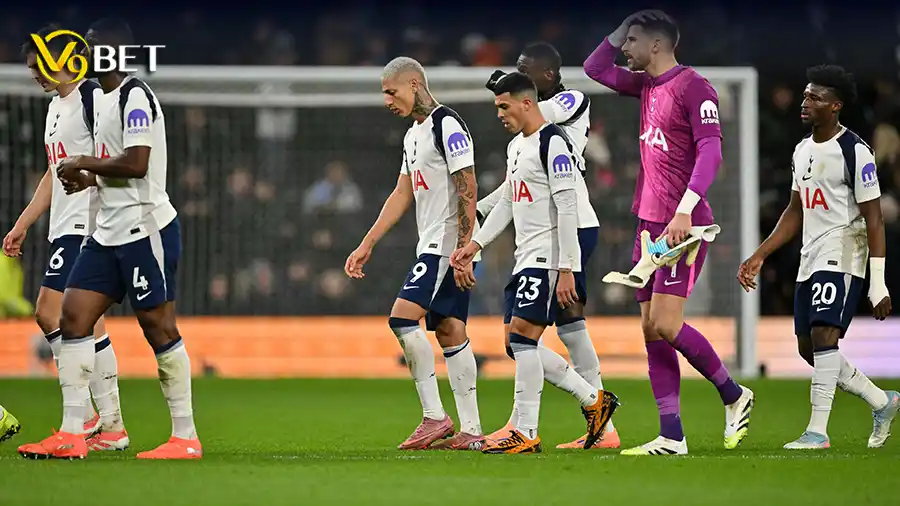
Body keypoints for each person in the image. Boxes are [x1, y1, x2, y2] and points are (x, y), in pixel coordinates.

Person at [17, 18, 200, 460]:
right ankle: (73, 432)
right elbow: (110, 165)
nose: (84, 53)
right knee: (73, 316)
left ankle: (185, 436)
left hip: (145, 229)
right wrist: (88, 178)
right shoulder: (100, 101)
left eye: (93, 47)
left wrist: (84, 162)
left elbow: (137, 164)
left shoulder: (135, 96)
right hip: (106, 232)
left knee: (158, 326)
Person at [584, 9, 754, 456]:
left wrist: (684, 211)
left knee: (666, 322)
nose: (625, 48)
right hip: (649, 221)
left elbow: (711, 152)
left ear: (656, 44)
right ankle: (671, 435)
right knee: (650, 328)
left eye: (632, 40)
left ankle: (734, 394)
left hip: (683, 223)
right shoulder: (646, 85)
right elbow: (594, 68)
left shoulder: (695, 87)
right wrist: (622, 26)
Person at [452, 72, 618, 454]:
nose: (499, 114)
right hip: (524, 255)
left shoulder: (553, 143)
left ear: (527, 103)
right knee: (516, 341)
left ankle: (526, 430)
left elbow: (567, 207)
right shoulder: (516, 147)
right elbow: (509, 201)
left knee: (523, 339)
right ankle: (593, 401)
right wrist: (475, 243)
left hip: (547, 255)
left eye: (503, 106)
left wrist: (567, 268)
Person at [738, 65, 899, 450]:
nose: (805, 102)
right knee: (808, 348)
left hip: (844, 251)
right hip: (810, 255)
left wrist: (877, 283)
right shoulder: (803, 150)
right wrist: (760, 254)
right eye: (805, 95)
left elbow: (875, 218)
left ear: (835, 106)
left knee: (825, 335)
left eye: (815, 97)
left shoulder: (855, 151)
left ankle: (817, 431)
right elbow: (795, 211)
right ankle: (882, 401)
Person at [344, 56, 484, 450]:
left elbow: (468, 184)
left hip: (446, 246)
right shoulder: (412, 135)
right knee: (450, 329)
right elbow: (402, 192)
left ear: (414, 85)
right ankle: (472, 430)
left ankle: (434, 417)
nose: (387, 101)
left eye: (392, 92)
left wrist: (464, 249)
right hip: (437, 245)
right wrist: (368, 242)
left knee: (402, 318)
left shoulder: (447, 124)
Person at [3, 24, 128, 452]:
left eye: (39, 65)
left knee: (49, 310)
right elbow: (53, 173)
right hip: (64, 224)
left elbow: (119, 158)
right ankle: (111, 426)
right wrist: (23, 222)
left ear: (62, 61)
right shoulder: (56, 107)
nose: (34, 74)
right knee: (88, 323)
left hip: (88, 224)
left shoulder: (93, 98)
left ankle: (83, 417)